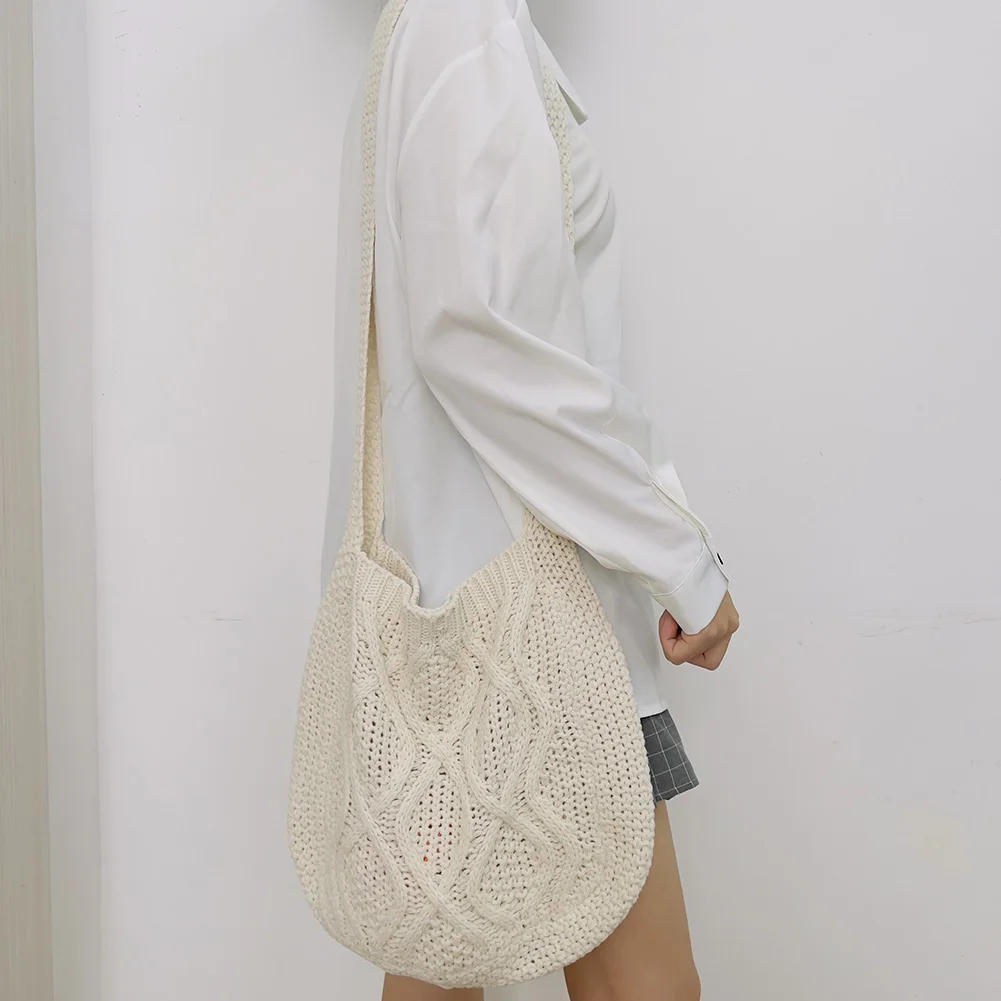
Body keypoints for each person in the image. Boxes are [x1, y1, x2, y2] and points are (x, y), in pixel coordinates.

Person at [320, 1, 740, 998]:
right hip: (542, 636)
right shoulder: (463, 26)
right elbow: (475, 340)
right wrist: (675, 554)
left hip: (471, 621)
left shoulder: (440, 27)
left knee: (438, 971)